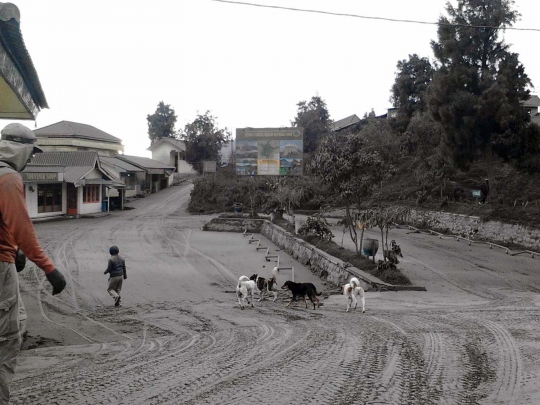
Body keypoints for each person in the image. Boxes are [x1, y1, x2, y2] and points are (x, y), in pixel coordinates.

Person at [0, 123, 66, 403]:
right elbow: (23, 228)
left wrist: (14, 249)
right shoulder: (8, 177)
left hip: (6, 258)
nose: (32, 159)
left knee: (19, 320)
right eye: (32, 153)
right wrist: (50, 269)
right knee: (6, 340)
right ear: (21, 149)